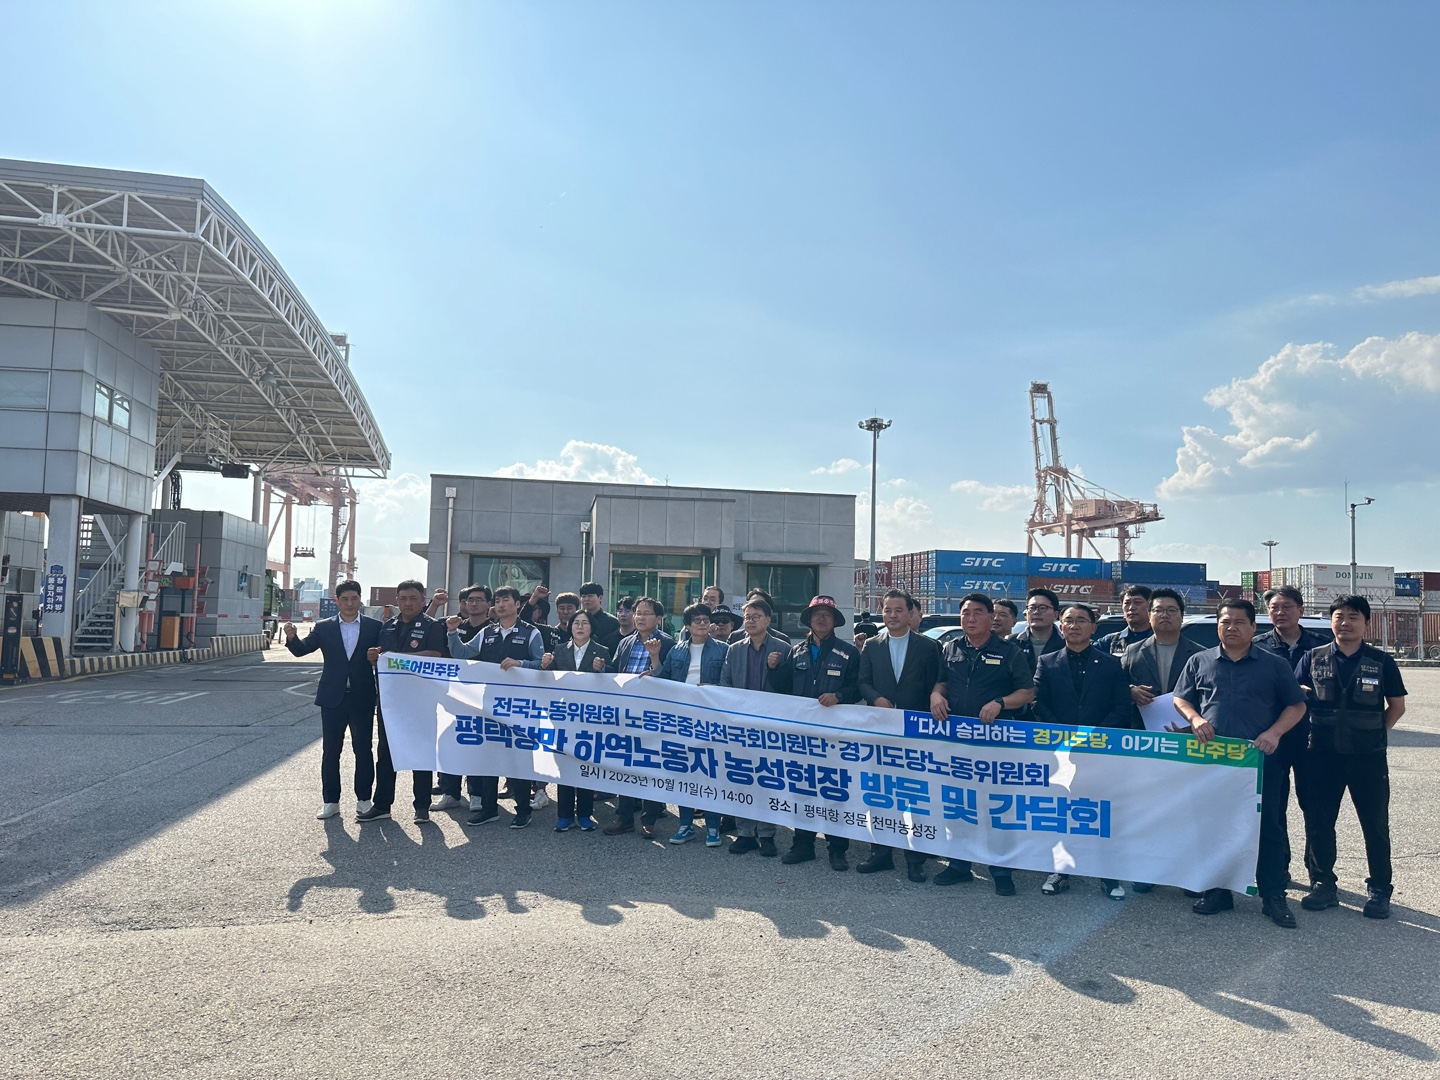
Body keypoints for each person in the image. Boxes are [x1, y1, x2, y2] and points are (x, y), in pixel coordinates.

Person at [1172, 598, 1307, 927]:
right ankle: (1218, 891)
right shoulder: (1200, 661)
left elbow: (1297, 706)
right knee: (1215, 826)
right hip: (1214, 763)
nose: (1231, 628)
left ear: (1253, 627)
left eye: (1239, 622)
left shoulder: (1273, 664)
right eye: (1225, 622)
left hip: (1259, 762)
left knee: (1267, 828)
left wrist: (1275, 733)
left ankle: (1273, 896)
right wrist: (1194, 719)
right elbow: (1180, 698)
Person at [1295, 595, 1407, 919]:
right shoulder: (1312, 658)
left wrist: (1377, 734)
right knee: (1319, 821)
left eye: (1353, 617)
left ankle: (1380, 890)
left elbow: (1397, 706)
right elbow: (1294, 696)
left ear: (1366, 623)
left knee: (1375, 824)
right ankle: (1323, 884)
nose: (1345, 622)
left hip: (1367, 757)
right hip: (1321, 755)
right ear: (1331, 621)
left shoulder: (1381, 661)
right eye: (1339, 616)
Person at [928, 593, 1035, 894]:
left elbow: (1027, 693)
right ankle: (959, 864)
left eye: (978, 613)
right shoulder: (951, 648)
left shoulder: (1010, 652)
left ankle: (1001, 869)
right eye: (965, 613)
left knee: (996, 806)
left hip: (995, 744)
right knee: (959, 804)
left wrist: (1001, 702)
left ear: (991, 617)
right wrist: (936, 695)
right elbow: (942, 681)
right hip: (957, 742)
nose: (970, 618)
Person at [1032, 603, 1134, 900]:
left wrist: (1093, 736)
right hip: (1061, 753)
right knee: (1062, 812)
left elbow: (1121, 707)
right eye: (1069, 621)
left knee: (1102, 813)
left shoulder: (1111, 664)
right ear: (1060, 627)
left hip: (1100, 752)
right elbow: (1038, 702)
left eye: (1081, 620)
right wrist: (1063, 735)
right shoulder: (1047, 662)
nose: (1074, 626)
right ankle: (1059, 871)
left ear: (1093, 627)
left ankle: (1109, 875)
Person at [1119, 587, 1204, 893]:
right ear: (1150, 615)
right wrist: (1129, 691)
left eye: (1171, 610)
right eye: (1158, 610)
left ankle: (1187, 873)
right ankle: (1148, 869)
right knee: (1148, 808)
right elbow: (1114, 689)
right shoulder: (1132, 651)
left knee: (1187, 810)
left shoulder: (1200, 654)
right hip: (1145, 742)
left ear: (1182, 616)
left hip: (1187, 741)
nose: (1164, 615)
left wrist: (1192, 724)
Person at [856, 589, 942, 882]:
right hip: (881, 732)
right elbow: (863, 681)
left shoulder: (928, 647)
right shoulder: (872, 645)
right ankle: (881, 853)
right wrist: (876, 698)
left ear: (910, 613)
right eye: (887, 610)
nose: (892, 615)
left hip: (915, 733)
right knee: (881, 795)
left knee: (916, 796)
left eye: (898, 610)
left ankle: (916, 858)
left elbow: (936, 685)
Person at [771, 595, 861, 871]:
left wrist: (839, 695)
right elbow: (780, 688)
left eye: (827, 615)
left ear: (835, 621)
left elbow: (858, 688)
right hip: (801, 735)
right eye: (816, 614)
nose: (821, 619)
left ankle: (837, 849)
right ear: (808, 620)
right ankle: (803, 844)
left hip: (834, 737)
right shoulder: (795, 651)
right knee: (803, 790)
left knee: (835, 791)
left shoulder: (849, 652)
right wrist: (772, 668)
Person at [284, 580, 382, 820]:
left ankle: (364, 799)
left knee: (363, 749)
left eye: (354, 599)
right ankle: (330, 801)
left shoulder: (374, 627)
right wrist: (292, 637)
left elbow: (388, 656)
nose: (350, 604)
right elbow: (302, 650)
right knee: (331, 751)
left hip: (361, 696)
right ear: (336, 601)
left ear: (360, 599)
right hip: (332, 698)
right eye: (345, 599)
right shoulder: (324, 627)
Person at [447, 586, 543, 828]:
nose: (500, 605)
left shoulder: (531, 632)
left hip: (520, 706)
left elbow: (541, 665)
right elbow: (462, 654)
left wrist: (521, 663)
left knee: (520, 758)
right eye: (497, 601)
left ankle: (523, 810)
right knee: (488, 757)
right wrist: (452, 633)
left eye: (505, 600)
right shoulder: (487, 632)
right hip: (490, 704)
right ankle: (489, 809)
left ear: (517, 604)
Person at [362, 580, 449, 824]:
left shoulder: (433, 626)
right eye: (403, 599)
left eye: (413, 598)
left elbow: (435, 656)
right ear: (397, 601)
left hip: (420, 700)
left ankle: (421, 806)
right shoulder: (388, 626)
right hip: (391, 701)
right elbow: (382, 658)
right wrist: (373, 657)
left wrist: (397, 659)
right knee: (386, 753)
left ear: (423, 600)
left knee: (421, 753)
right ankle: (382, 804)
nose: (408, 603)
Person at [719, 597, 791, 855]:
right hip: (740, 724)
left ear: (768, 620)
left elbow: (788, 687)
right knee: (742, 777)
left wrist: (775, 668)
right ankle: (745, 833)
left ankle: (767, 834)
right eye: (747, 617)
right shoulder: (734, 649)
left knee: (767, 779)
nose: (750, 621)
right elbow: (725, 682)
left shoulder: (783, 649)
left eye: (755, 617)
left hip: (770, 725)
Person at [654, 603, 729, 845]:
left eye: (706, 619)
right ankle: (685, 824)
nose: (702, 624)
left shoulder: (724, 650)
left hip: (711, 719)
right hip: (682, 720)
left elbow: (730, 684)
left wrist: (714, 689)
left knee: (711, 772)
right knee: (683, 772)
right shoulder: (676, 651)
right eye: (696, 620)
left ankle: (713, 826)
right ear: (687, 625)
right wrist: (653, 661)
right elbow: (663, 680)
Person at [604, 598, 675, 837]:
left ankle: (650, 819)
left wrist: (655, 661)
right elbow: (615, 672)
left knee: (650, 766)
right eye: (638, 613)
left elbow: (670, 681)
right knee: (625, 765)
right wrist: (601, 668)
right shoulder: (625, 642)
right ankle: (624, 818)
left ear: (658, 618)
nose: (640, 617)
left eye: (646, 613)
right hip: (626, 713)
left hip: (653, 715)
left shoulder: (668, 643)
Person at [541, 610, 610, 832]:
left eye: (585, 623)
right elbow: (549, 680)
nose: (580, 627)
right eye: (576, 623)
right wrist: (545, 665)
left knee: (586, 766)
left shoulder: (602, 651)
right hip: (564, 717)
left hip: (590, 719)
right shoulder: (560, 650)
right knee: (564, 766)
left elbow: (614, 680)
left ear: (592, 628)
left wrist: (602, 669)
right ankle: (564, 815)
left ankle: (585, 814)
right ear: (570, 627)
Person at [431, 584, 492, 813]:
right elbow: (425, 625)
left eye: (478, 600)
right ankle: (450, 792)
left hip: (481, 698)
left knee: (477, 745)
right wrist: (435, 604)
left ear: (488, 604)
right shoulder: (453, 626)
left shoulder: (493, 631)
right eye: (469, 600)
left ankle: (477, 794)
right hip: (453, 695)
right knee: (449, 742)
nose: (472, 604)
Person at [1012, 588, 1064, 675]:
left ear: (1055, 615)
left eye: (1043, 608)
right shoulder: (1013, 642)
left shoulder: (1065, 644)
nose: (1036, 612)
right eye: (1032, 608)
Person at [1096, 585, 1154, 656]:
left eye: (1137, 602)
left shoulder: (1161, 640)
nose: (1131, 607)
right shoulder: (1111, 641)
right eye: (1127, 603)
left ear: (1151, 606)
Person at [578, 582, 622, 651]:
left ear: (600, 598)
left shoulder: (612, 622)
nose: (586, 599)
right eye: (583, 596)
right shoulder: (576, 621)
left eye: (590, 596)